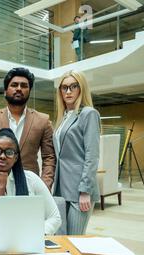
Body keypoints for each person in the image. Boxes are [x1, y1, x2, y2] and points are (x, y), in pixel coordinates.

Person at [0, 67, 56, 190]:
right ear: (5, 91)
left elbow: (49, 157)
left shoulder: (43, 121)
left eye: (24, 86)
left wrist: (44, 186)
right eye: (14, 85)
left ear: (29, 90)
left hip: (30, 186)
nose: (19, 88)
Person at [0, 128, 61, 235]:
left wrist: (35, 235)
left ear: (16, 157)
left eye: (9, 152)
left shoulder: (31, 179)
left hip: (30, 245)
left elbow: (54, 217)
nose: (2, 156)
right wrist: (0, 187)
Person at [53, 70, 100, 235]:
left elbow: (92, 155)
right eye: (64, 87)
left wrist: (85, 190)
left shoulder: (88, 114)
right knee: (61, 240)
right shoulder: (63, 117)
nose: (68, 91)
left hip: (79, 190)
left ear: (81, 89)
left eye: (74, 86)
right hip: (60, 188)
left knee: (75, 240)